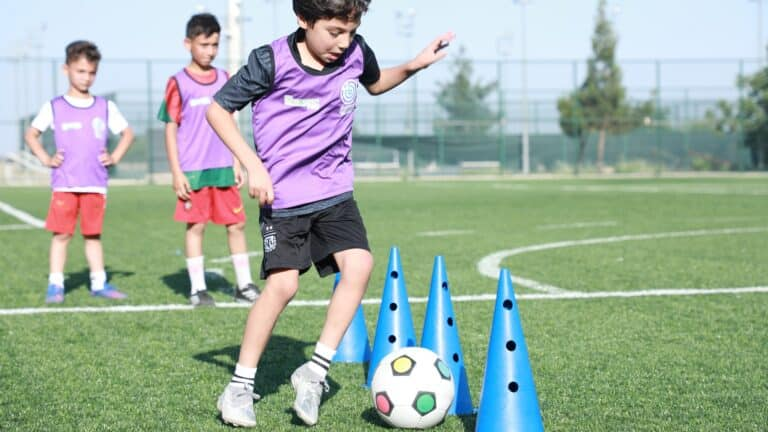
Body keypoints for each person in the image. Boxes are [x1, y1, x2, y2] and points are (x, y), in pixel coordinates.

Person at [206, 0, 453, 427]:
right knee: (283, 289)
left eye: (351, 31)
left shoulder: (357, 52)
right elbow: (217, 110)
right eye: (334, 32)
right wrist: (253, 165)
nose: (343, 42)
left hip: (334, 191)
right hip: (283, 198)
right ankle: (240, 387)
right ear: (304, 20)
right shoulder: (269, 60)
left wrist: (413, 65)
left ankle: (314, 372)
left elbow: (374, 84)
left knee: (359, 265)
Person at [158, 13, 261, 307]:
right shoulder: (177, 82)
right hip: (193, 171)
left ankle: (244, 286)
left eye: (215, 45)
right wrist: (176, 173)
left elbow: (229, 120)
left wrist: (237, 161)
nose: (210, 51)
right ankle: (198, 289)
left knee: (237, 225)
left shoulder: (224, 78)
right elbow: (170, 127)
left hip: (223, 168)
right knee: (197, 227)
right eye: (204, 44)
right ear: (188, 43)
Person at [24, 40, 135, 303]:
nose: (86, 78)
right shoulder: (54, 106)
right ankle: (55, 284)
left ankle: (99, 283)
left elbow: (127, 133)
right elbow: (31, 134)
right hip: (65, 183)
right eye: (80, 71)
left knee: (93, 235)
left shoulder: (104, 106)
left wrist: (115, 156)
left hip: (95, 184)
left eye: (91, 72)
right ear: (67, 69)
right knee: (61, 234)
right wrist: (45, 158)